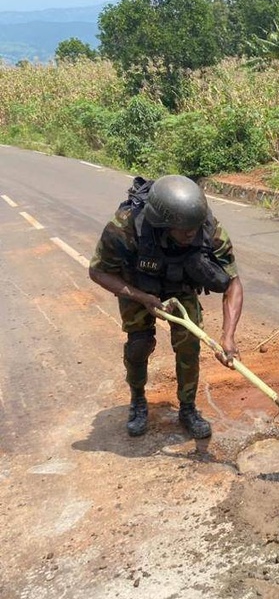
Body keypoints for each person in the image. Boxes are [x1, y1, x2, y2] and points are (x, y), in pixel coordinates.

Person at [90, 175, 244, 439]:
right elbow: (98, 272)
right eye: (185, 229)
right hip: (137, 286)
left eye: (195, 227)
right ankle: (138, 400)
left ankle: (188, 408)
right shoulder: (125, 227)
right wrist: (141, 297)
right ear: (162, 224)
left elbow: (233, 284)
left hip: (180, 287)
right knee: (139, 345)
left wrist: (228, 337)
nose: (192, 233)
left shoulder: (206, 226)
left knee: (189, 345)